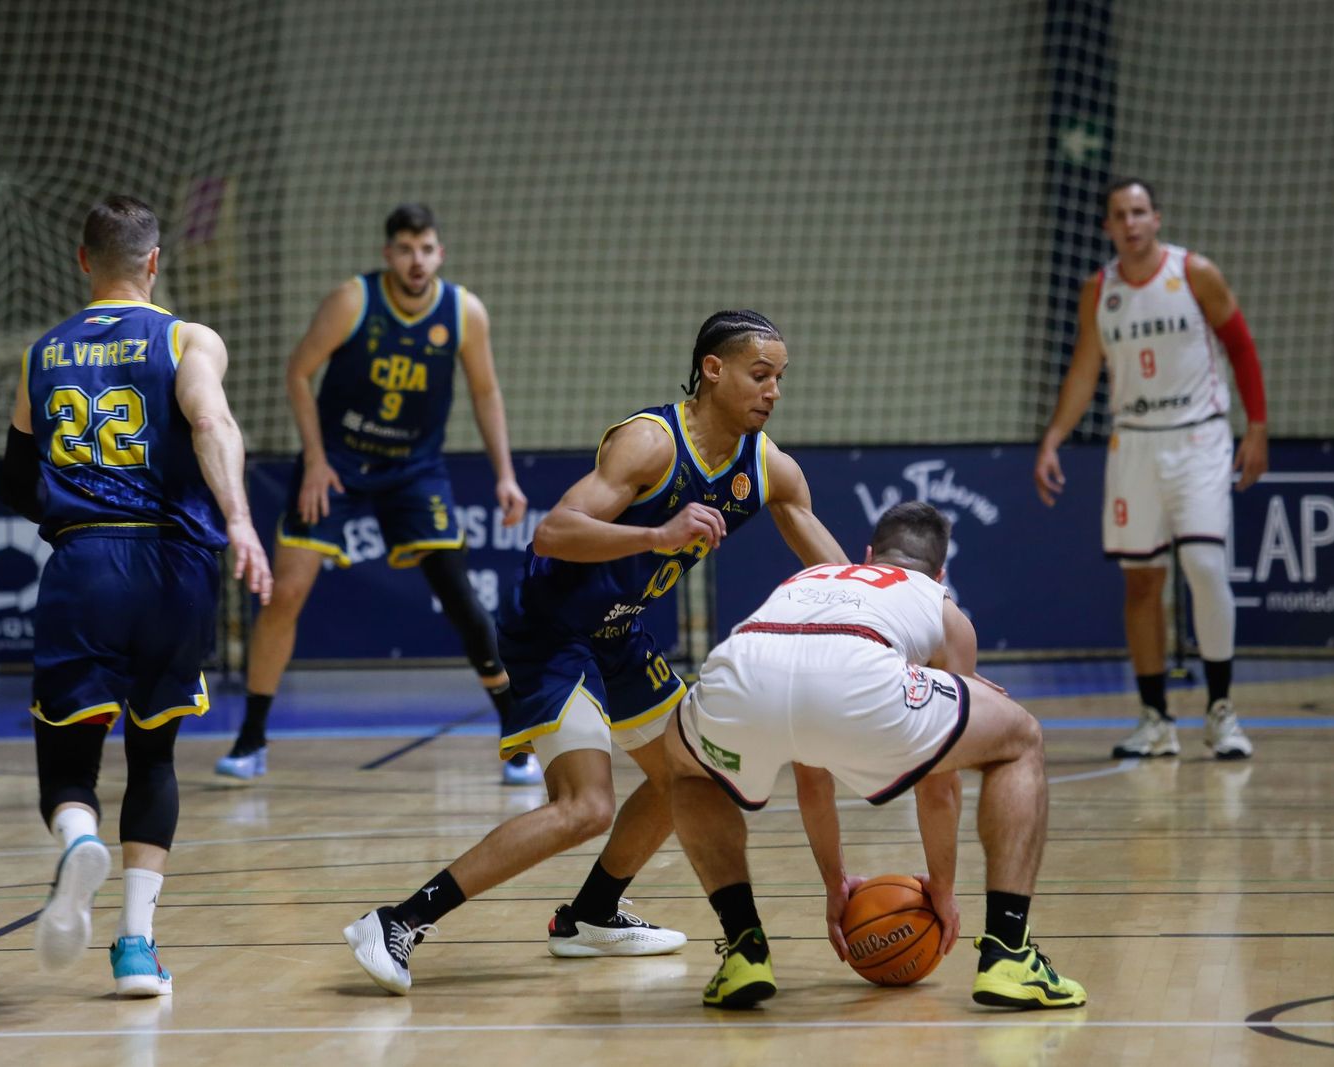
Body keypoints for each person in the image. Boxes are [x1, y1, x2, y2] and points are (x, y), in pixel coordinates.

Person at [344, 309, 848, 993]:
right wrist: (656, 536)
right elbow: (553, 532)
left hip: (618, 631)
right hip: (552, 631)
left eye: (780, 378)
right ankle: (398, 920)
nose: (774, 390)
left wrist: (878, 618)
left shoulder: (768, 468)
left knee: (693, 775)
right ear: (713, 370)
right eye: (760, 374)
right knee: (586, 805)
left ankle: (591, 913)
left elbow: (835, 571)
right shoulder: (650, 442)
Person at [0, 195, 273, 996]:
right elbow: (212, 421)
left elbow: (15, 478)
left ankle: (78, 836)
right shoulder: (189, 338)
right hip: (172, 567)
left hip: (83, 564)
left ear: (84, 261)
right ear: (154, 262)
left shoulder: (39, 355)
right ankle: (136, 946)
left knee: (68, 764)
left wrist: (72, 514)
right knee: (152, 754)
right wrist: (241, 520)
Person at [667, 501, 1086, 1010]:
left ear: (866, 556)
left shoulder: (814, 578)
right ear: (941, 574)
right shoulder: (941, 607)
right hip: (856, 672)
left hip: (744, 667)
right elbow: (937, 784)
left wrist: (834, 884)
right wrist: (944, 891)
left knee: (686, 772)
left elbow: (810, 771)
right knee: (1020, 740)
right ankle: (1008, 953)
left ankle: (744, 948)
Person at [213, 203, 539, 786]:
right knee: (285, 592)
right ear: (389, 254)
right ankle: (252, 738)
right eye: (407, 249)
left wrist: (505, 474)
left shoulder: (464, 312)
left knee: (461, 598)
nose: (418, 260)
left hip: (413, 470)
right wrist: (313, 459)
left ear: (440, 253)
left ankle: (516, 737)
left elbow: (486, 392)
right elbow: (297, 372)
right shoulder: (352, 301)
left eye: (427, 248)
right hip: (336, 465)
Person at [1034, 177, 1268, 760]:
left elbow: (1241, 347)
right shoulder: (1099, 291)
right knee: (1142, 581)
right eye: (1120, 214)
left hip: (1199, 438)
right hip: (1134, 442)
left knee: (1204, 563)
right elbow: (1086, 368)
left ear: (1157, 218)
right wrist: (1054, 439)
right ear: (1108, 227)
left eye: (1140, 211)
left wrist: (1257, 427)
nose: (1131, 222)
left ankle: (1220, 711)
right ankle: (1155, 718)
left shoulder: (1195, 274)